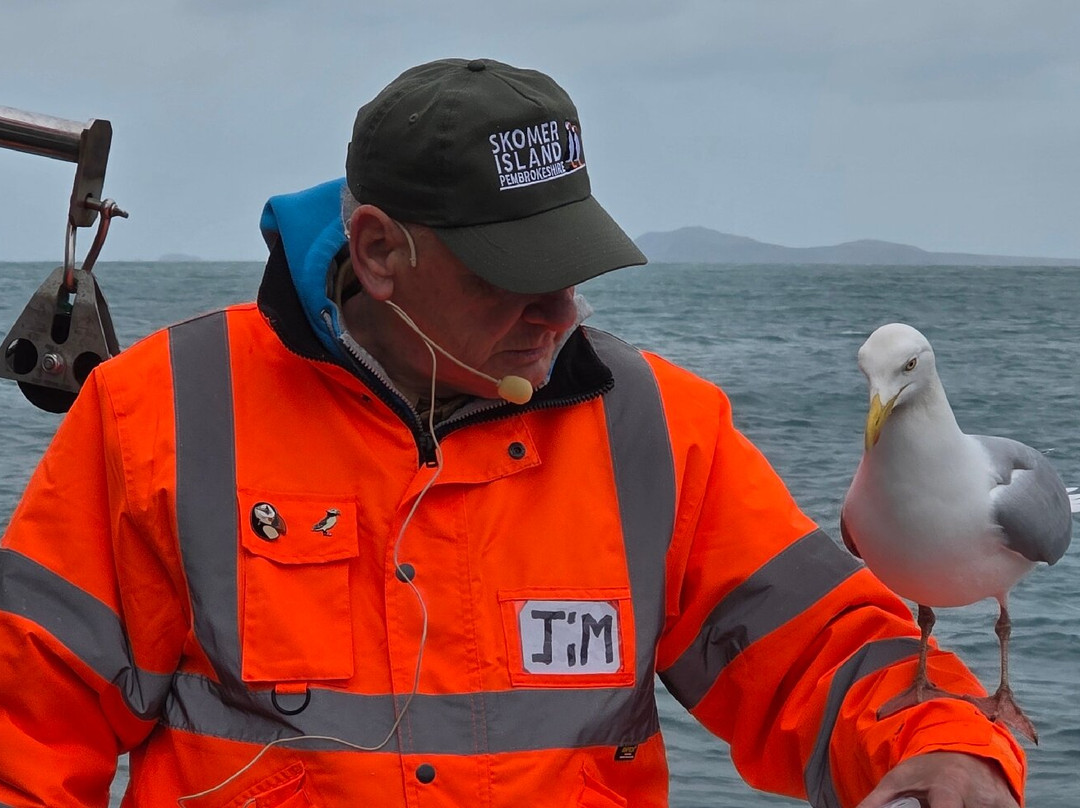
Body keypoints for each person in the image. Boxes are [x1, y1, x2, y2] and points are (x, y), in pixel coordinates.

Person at [0, 57, 1024, 808]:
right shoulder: (161, 414)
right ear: (378, 249)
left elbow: (825, 652)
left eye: (569, 268)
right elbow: (23, 729)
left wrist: (950, 746)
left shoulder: (658, 430)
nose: (559, 312)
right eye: (512, 276)